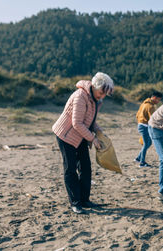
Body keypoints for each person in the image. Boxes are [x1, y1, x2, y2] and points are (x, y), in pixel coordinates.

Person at [52, 72, 114, 214]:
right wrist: (93, 139)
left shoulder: (96, 99)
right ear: (93, 86)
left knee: (86, 167)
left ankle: (85, 200)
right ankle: (75, 202)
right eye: (101, 93)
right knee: (70, 169)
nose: (102, 96)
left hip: (80, 135)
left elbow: (89, 120)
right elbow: (77, 123)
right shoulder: (80, 96)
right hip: (66, 135)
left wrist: (100, 132)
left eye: (105, 94)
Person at [134, 91, 162, 167]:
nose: (158, 102)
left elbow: (137, 115)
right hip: (145, 126)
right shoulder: (150, 107)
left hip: (140, 125)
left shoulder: (144, 104)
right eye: (158, 100)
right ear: (154, 98)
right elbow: (153, 119)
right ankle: (142, 162)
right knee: (147, 144)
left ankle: (138, 158)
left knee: (148, 143)